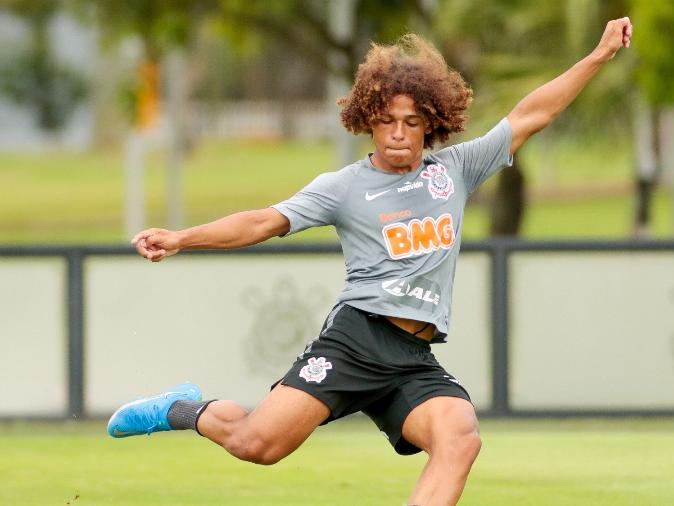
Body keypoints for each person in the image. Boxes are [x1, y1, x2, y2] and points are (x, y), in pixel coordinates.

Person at [107, 17, 633, 506]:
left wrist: (599, 54)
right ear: (368, 123)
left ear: (432, 122)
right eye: (386, 122)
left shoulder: (456, 170)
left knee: (459, 435)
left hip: (412, 355)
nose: (399, 133)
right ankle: (179, 408)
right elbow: (262, 222)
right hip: (357, 339)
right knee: (256, 443)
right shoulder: (345, 187)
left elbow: (531, 114)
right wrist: (181, 237)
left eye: (411, 121)